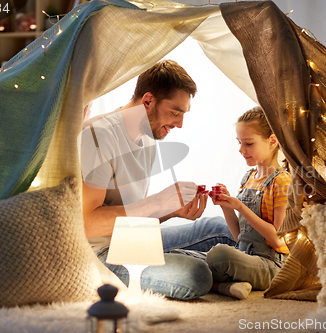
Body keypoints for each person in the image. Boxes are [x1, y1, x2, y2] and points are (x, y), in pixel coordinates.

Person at [78, 60, 235, 300]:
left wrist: (171, 210)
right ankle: (218, 271)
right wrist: (158, 201)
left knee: (222, 229)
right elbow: (88, 223)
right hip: (101, 255)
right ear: (148, 101)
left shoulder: (149, 139)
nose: (180, 124)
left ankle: (221, 269)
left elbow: (132, 218)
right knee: (196, 275)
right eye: (175, 112)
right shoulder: (98, 135)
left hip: (134, 239)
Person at [207, 106, 291, 300]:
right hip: (244, 255)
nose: (241, 150)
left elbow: (278, 240)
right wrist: (226, 206)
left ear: (272, 141)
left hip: (271, 264)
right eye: (239, 142)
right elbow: (239, 236)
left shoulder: (282, 181)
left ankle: (219, 284)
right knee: (184, 256)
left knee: (218, 256)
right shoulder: (249, 178)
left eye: (249, 143)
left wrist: (240, 207)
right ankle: (229, 286)